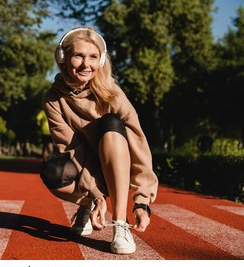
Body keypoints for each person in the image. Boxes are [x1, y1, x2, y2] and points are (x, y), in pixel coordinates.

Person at [39, 27, 158, 254]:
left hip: (119, 165)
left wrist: (142, 200)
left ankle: (120, 224)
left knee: (111, 123)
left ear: (101, 60)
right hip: (86, 168)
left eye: (93, 57)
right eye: (79, 56)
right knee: (53, 172)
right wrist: (94, 195)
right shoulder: (53, 99)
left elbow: (138, 143)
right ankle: (87, 206)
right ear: (62, 59)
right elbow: (73, 149)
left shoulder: (112, 93)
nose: (86, 64)